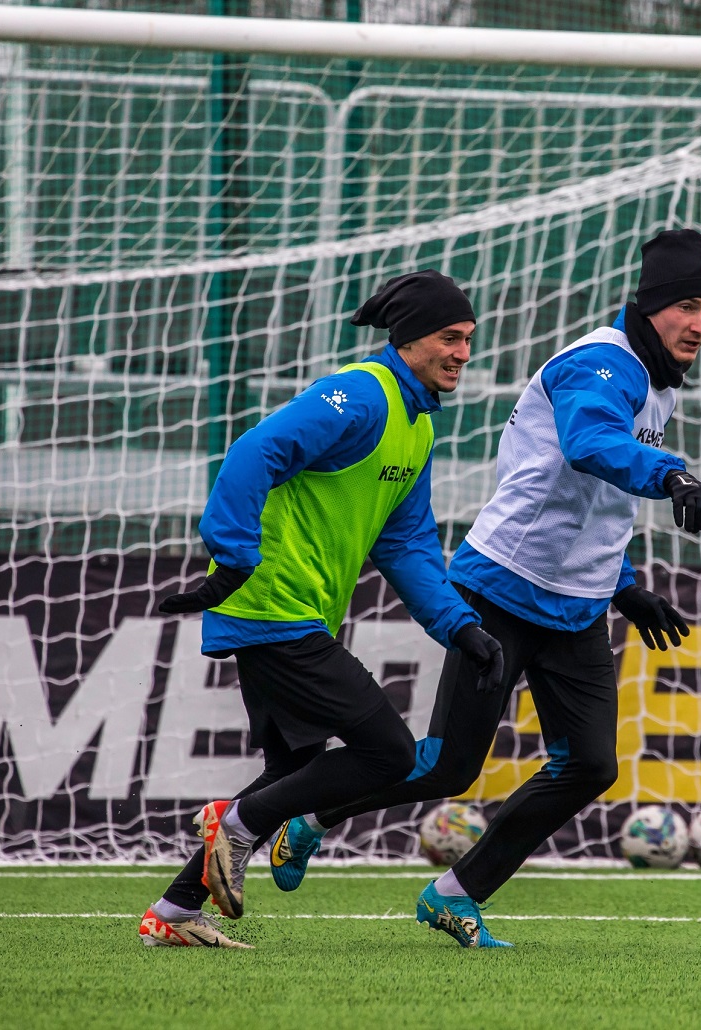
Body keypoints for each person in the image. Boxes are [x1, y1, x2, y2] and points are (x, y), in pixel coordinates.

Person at [265, 228, 701, 948]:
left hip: (574, 606)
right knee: (449, 766)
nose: (700, 326)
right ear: (651, 306)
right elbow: (590, 446)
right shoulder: (603, 364)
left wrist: (625, 586)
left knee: (590, 765)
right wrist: (671, 474)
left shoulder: (652, 378)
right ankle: (308, 814)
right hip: (504, 590)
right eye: (687, 310)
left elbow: (589, 503)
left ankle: (455, 893)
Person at [137, 270, 505, 949]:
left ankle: (176, 909)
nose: (463, 353)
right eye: (450, 339)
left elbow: (407, 541)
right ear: (410, 340)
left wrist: (461, 626)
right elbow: (255, 451)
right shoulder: (363, 392)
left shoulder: (417, 425)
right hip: (272, 605)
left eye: (469, 341)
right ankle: (236, 824)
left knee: (291, 772)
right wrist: (235, 552)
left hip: (299, 614)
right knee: (389, 752)